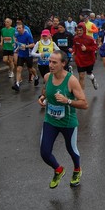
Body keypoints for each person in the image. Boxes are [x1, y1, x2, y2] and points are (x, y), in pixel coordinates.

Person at [38, 50, 88, 188]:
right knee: (44, 152)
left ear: (63, 63)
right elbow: (46, 91)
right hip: (50, 121)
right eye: (49, 62)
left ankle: (77, 169)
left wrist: (68, 101)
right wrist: (43, 98)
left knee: (71, 149)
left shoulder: (71, 80)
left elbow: (84, 103)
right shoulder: (48, 76)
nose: (50, 65)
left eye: (54, 62)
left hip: (67, 122)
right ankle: (59, 170)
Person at [12, 23, 38, 92]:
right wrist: (17, 48)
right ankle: (17, 84)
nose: (18, 29)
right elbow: (19, 44)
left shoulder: (27, 35)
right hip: (21, 54)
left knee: (30, 68)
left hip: (28, 54)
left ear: (23, 28)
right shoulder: (17, 35)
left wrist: (26, 46)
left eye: (20, 28)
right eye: (17, 28)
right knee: (18, 69)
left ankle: (36, 77)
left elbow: (33, 44)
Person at [72, 23, 99, 90]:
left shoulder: (90, 39)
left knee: (89, 74)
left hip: (89, 60)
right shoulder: (75, 38)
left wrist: (86, 48)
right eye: (77, 30)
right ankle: (82, 95)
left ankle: (93, 79)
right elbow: (75, 46)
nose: (79, 32)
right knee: (81, 76)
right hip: (80, 60)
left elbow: (95, 47)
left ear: (84, 30)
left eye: (80, 30)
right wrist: (74, 51)